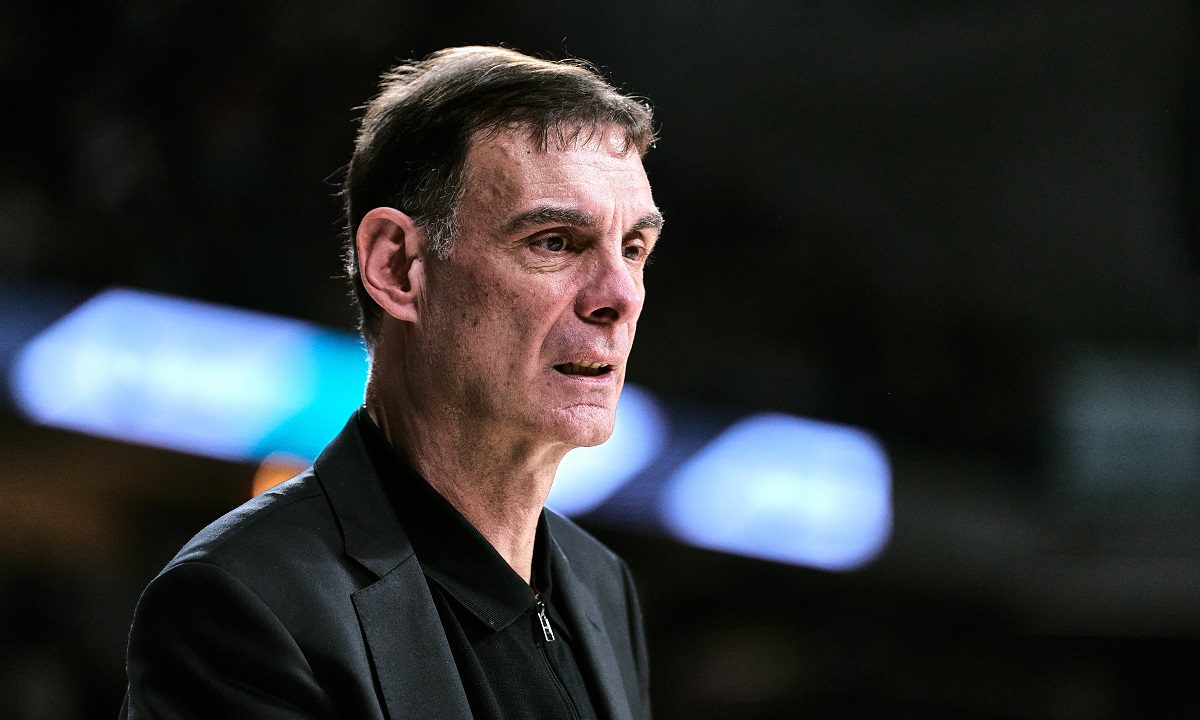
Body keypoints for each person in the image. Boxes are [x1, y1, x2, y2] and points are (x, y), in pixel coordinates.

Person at [120, 45, 662, 720]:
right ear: (399, 267)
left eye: (633, 249)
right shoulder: (244, 603)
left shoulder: (603, 585)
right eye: (554, 241)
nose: (620, 295)